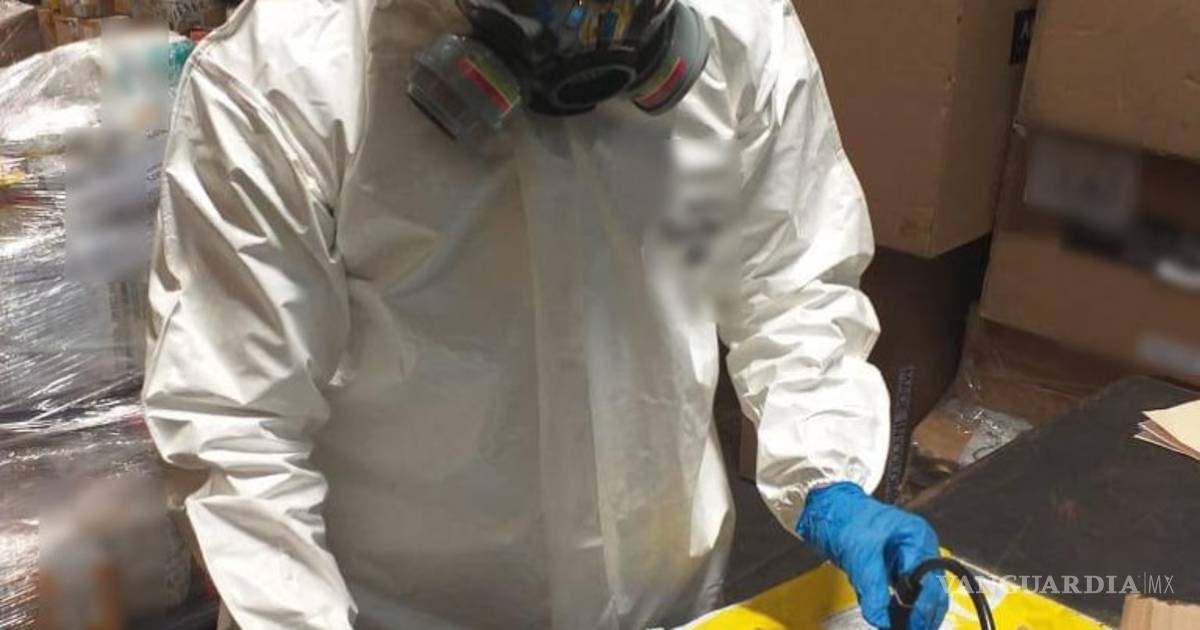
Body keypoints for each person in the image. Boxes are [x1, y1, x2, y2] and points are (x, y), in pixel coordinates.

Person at [142, 0, 949, 628]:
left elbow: (790, 282)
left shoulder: (738, 27)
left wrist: (827, 476)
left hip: (668, 602)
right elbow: (238, 428)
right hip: (396, 613)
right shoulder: (288, 77)